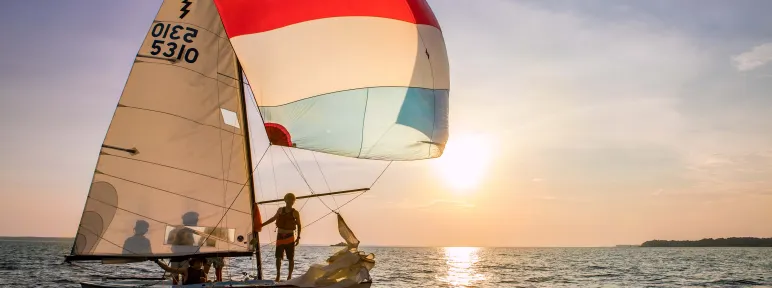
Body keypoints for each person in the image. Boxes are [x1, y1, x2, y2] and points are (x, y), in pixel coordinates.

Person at [261, 193, 301, 282]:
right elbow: (273, 219)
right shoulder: (280, 210)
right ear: (285, 200)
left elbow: (299, 225)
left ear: (294, 201)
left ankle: (289, 276)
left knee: (291, 258)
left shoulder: (295, 212)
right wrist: (262, 225)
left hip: (290, 237)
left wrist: (298, 237)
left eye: (292, 200)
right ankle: (278, 275)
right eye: (288, 199)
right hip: (280, 237)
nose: (290, 201)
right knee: (278, 257)